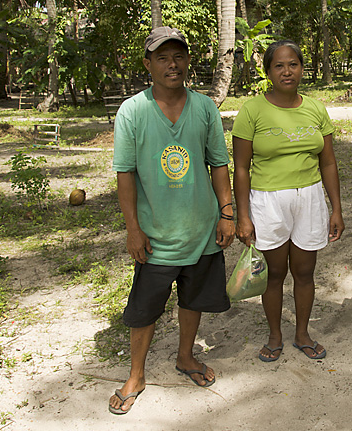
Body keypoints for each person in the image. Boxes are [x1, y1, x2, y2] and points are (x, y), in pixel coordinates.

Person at [108, 27, 235, 415]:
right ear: (148, 65)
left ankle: (186, 357)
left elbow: (218, 163)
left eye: (178, 56)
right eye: (162, 57)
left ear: (188, 62)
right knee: (145, 309)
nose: (172, 64)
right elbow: (125, 173)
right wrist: (133, 228)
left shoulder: (205, 108)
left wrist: (227, 211)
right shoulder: (133, 111)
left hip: (201, 229)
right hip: (156, 235)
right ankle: (136, 374)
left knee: (193, 298)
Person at [232, 40, 344, 363]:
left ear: (302, 69)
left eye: (293, 64)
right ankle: (275, 335)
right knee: (275, 273)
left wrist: (335, 207)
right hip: (268, 201)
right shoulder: (252, 110)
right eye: (279, 65)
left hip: (309, 199)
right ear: (268, 71)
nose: (286, 71)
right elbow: (241, 167)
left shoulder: (315, 109)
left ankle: (302, 333)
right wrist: (243, 215)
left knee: (305, 272)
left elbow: (328, 162)